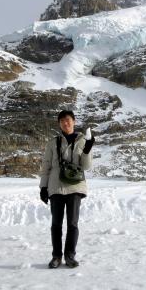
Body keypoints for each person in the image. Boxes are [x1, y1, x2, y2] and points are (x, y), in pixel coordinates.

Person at [39, 110, 95, 269]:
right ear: (59, 124)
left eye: (68, 120)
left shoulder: (83, 140)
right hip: (56, 187)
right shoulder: (53, 142)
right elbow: (46, 167)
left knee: (72, 223)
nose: (66, 123)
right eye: (62, 120)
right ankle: (56, 256)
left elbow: (86, 166)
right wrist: (43, 187)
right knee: (56, 224)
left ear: (74, 121)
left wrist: (88, 148)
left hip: (75, 187)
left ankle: (70, 255)